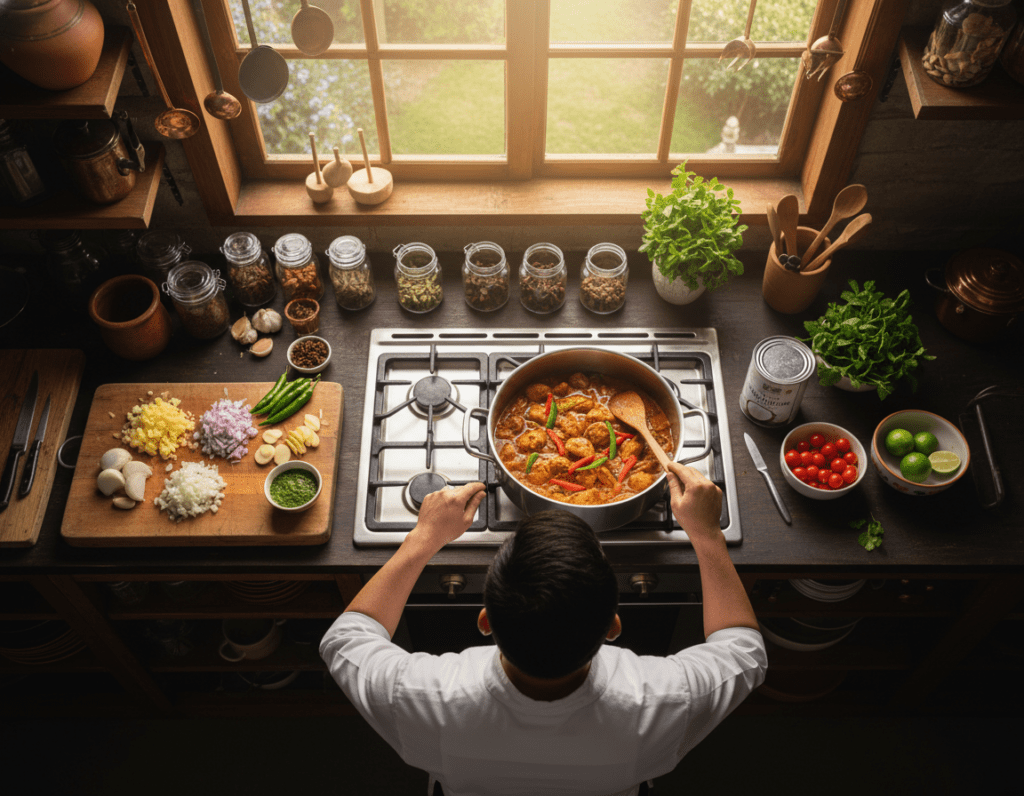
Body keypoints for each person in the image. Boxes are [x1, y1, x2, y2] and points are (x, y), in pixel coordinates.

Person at [321, 464, 766, 796]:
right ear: (613, 626)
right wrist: (707, 535)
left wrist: (422, 539)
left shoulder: (421, 696)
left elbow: (345, 638)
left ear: (484, 621)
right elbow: (744, 649)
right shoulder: (664, 701)